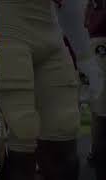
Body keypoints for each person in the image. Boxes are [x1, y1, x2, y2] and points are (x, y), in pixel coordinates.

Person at [0, 0, 87, 179]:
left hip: (53, 39)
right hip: (11, 35)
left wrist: (86, 57)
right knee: (22, 146)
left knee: (64, 137)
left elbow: (70, 6)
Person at [83, 1, 106, 179]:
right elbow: (87, 23)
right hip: (100, 43)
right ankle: (98, 156)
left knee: (100, 109)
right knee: (101, 109)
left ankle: (96, 154)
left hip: (98, 43)